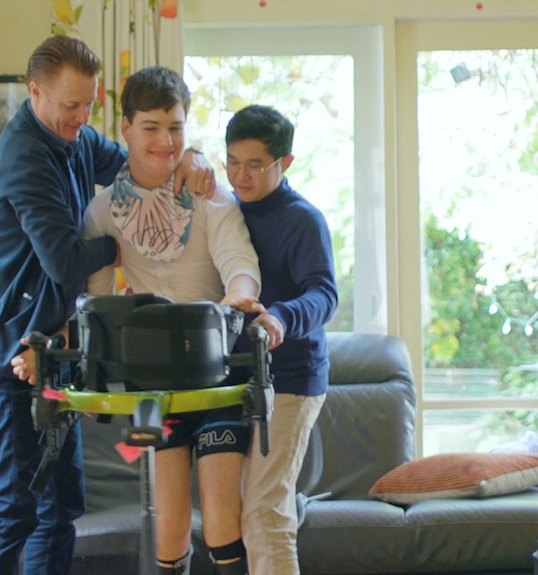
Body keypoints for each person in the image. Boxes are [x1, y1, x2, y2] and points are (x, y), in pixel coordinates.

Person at [0, 36, 214, 575]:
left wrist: (190, 153)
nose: (81, 117)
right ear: (35, 92)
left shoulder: (72, 136)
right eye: (70, 105)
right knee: (16, 506)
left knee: (61, 508)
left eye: (90, 105)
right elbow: (66, 262)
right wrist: (117, 244)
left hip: (52, 348)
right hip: (11, 346)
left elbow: (141, 159)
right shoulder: (25, 157)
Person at [82, 66, 262, 575]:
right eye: (152, 127)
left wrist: (239, 301)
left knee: (223, 515)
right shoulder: (102, 213)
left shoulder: (211, 199)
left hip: (219, 370)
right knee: (168, 518)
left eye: (176, 128)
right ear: (126, 129)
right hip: (148, 384)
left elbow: (241, 268)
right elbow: (95, 302)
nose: (165, 140)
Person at [224, 104, 338, 575]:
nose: (240, 175)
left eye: (254, 164)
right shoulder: (221, 210)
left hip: (291, 379)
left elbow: (325, 293)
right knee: (242, 511)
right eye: (231, 161)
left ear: (284, 163)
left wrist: (282, 317)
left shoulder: (303, 220)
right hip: (233, 380)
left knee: (264, 514)